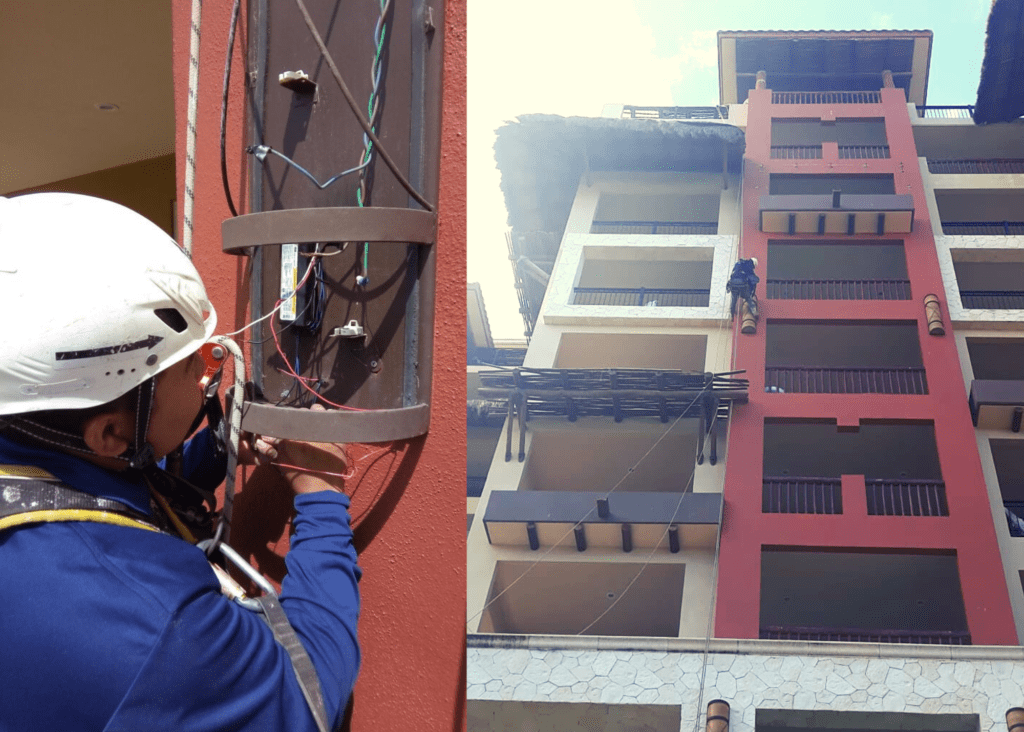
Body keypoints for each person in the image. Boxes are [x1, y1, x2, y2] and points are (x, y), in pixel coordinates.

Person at [0, 193, 359, 731]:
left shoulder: (31, 437)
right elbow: (304, 695)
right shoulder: (156, 627)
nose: (205, 371)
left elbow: (82, 496)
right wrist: (321, 498)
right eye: (185, 365)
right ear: (112, 432)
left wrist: (210, 451)